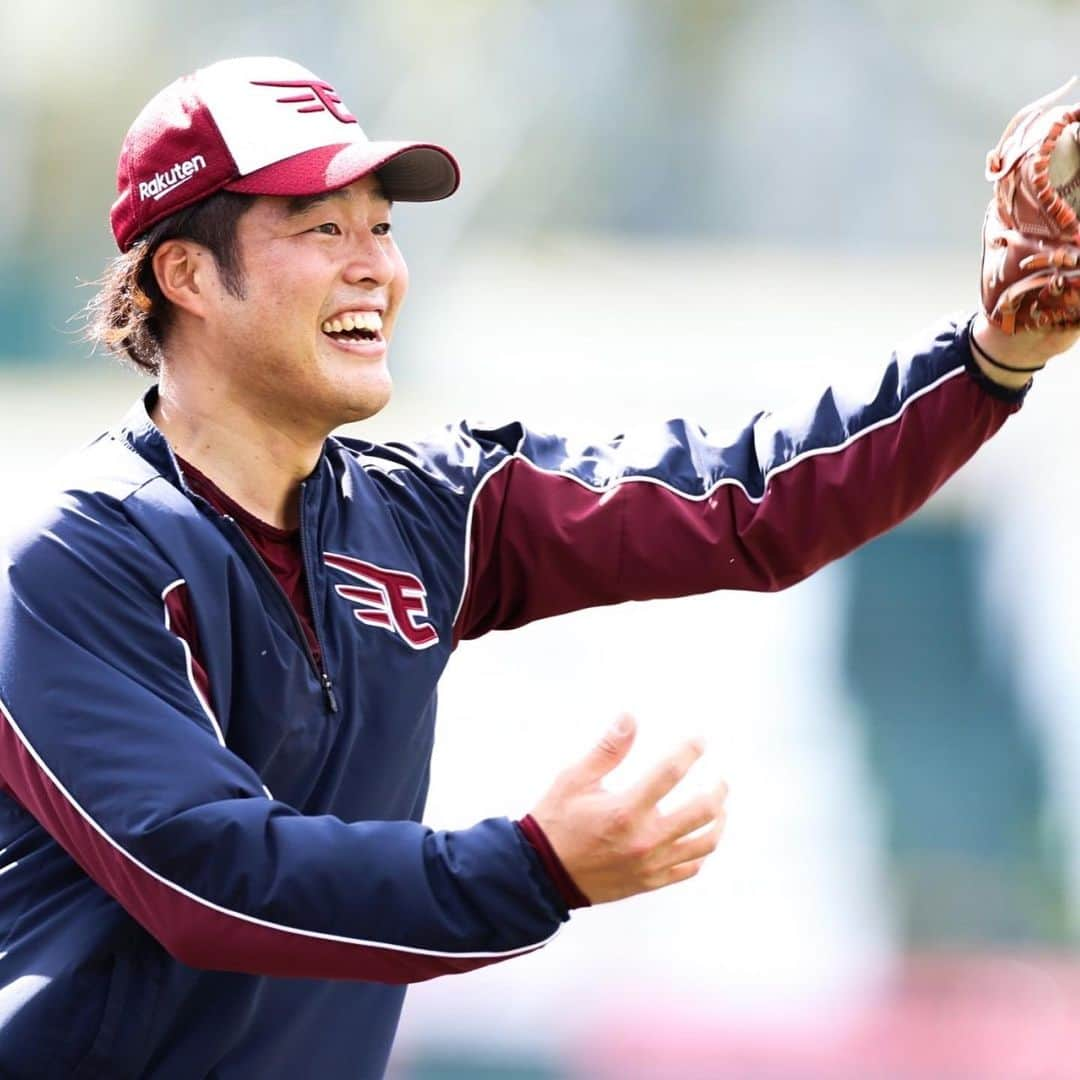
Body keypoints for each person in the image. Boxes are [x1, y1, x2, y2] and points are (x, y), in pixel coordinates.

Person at [0, 56, 1072, 1079]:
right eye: (323, 226)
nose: (375, 261)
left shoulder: (425, 511)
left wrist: (992, 353)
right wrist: (530, 869)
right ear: (186, 272)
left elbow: (750, 503)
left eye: (381, 225)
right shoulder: (78, 559)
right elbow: (204, 879)